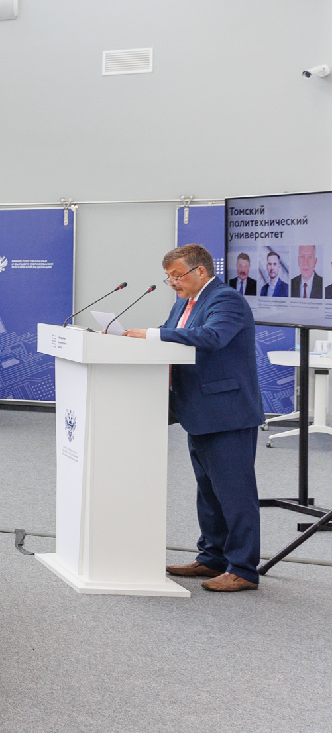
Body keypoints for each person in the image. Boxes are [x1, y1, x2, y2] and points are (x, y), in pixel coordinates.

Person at [122, 243, 263, 592]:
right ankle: (213, 557)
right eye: (168, 277)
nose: (172, 283)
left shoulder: (226, 299)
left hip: (227, 411)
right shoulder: (183, 303)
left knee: (235, 492)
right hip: (198, 408)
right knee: (209, 491)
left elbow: (212, 337)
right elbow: (170, 335)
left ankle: (243, 569)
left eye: (177, 276)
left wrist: (151, 334)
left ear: (201, 271)